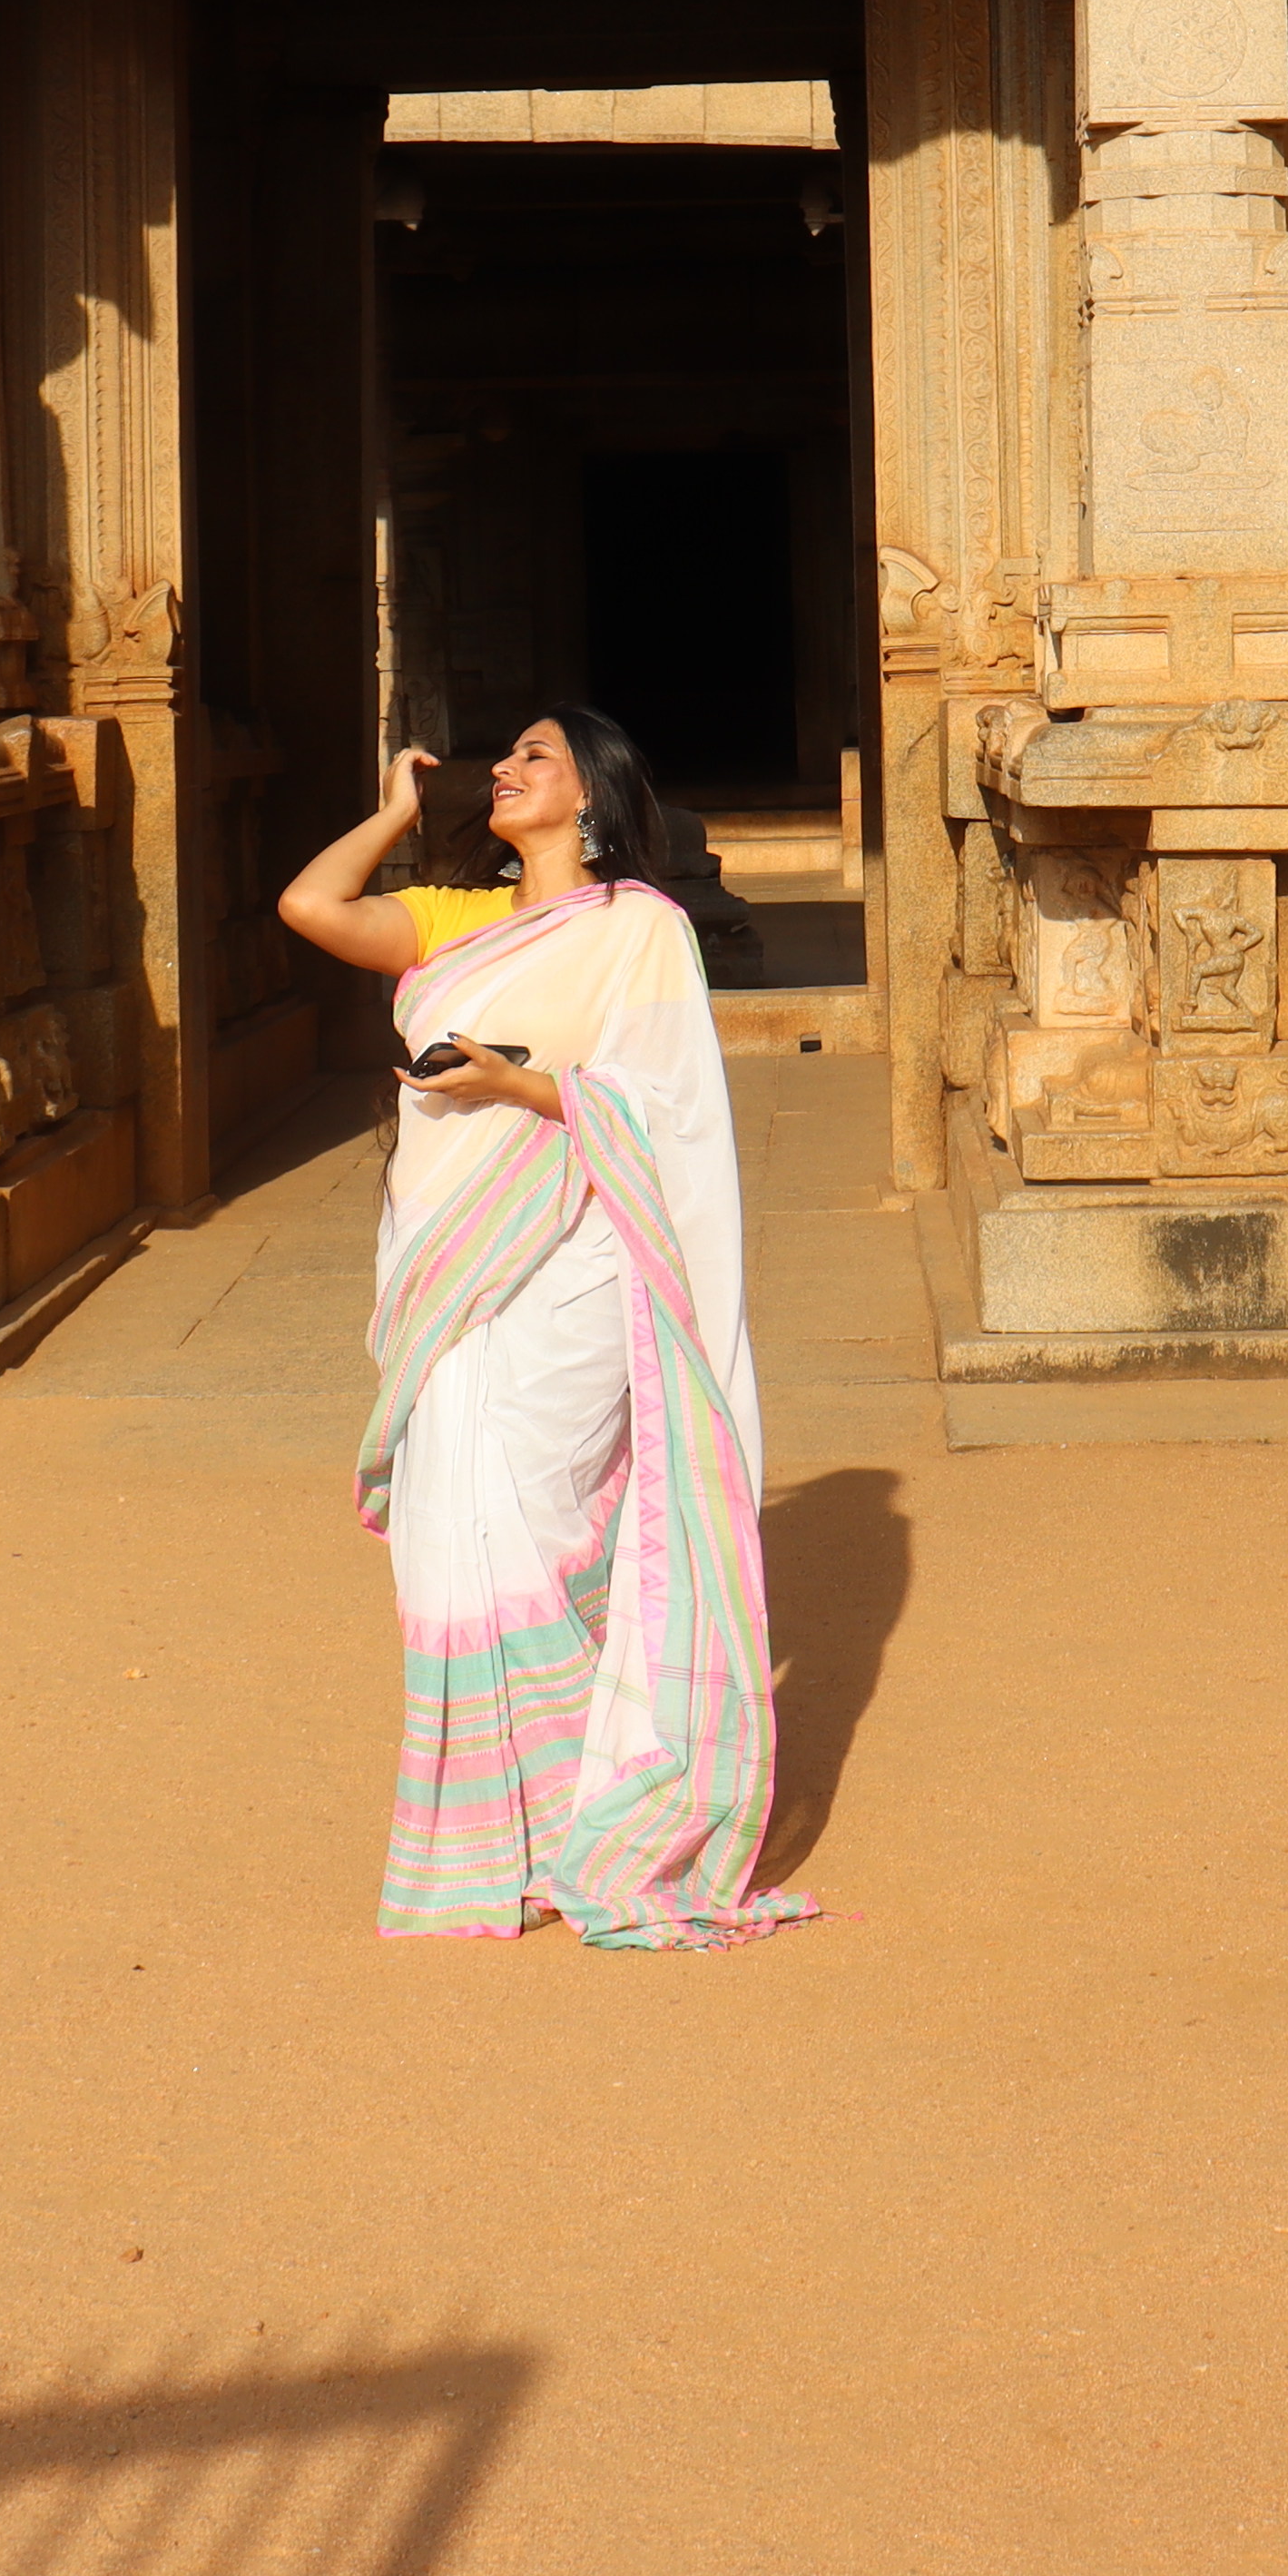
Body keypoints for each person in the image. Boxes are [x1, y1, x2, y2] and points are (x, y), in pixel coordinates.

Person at [273, 710, 816, 1949]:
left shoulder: (638, 929)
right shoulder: (460, 915)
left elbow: (669, 1108)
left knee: (531, 1509)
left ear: (593, 798)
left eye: (537, 757)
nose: (509, 771)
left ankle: (587, 1813)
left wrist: (515, 1082)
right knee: (448, 1524)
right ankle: (500, 1842)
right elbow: (313, 906)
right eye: (504, 758)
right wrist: (403, 813)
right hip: (443, 1256)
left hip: (567, 1255)